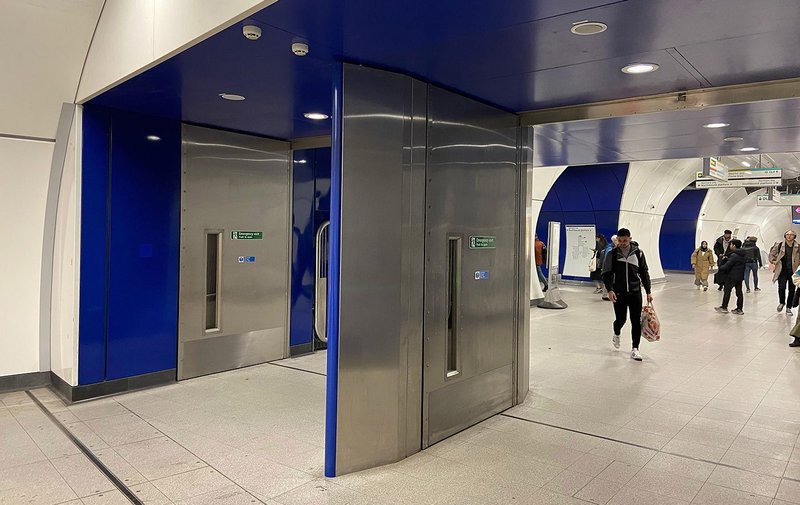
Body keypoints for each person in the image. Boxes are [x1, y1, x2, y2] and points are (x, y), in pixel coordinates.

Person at [602, 228, 653, 361]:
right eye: (620, 240)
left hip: (635, 292)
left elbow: (644, 273)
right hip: (619, 292)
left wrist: (648, 291)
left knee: (636, 321)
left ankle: (635, 349)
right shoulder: (612, 254)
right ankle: (616, 332)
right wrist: (610, 290)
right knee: (621, 319)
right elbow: (606, 274)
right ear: (617, 240)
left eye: (625, 240)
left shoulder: (639, 253)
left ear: (630, 239)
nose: (622, 243)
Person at [769, 230, 800, 316]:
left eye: (791, 235)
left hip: (794, 272)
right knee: (781, 287)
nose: (789, 236)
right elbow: (771, 254)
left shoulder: (798, 247)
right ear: (785, 236)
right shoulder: (779, 245)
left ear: (794, 236)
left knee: (792, 290)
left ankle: (788, 307)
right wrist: (773, 260)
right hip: (782, 271)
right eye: (787, 234)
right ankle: (782, 302)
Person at [715, 240, 746, 315]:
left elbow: (727, 266)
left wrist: (721, 266)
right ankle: (739, 309)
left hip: (731, 276)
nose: (730, 246)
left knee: (727, 291)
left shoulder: (734, 255)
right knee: (739, 292)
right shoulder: (743, 254)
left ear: (734, 245)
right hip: (740, 276)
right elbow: (735, 263)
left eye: (731, 244)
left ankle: (724, 307)